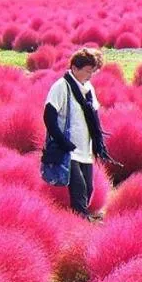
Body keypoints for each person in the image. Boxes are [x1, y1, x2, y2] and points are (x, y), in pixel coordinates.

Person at [43, 48, 113, 218]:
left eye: (93, 71)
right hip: (68, 150)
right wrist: (63, 142)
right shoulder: (61, 87)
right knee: (79, 190)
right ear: (74, 68)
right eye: (88, 71)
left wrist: (98, 143)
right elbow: (49, 117)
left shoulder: (88, 89)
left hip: (85, 150)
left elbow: (94, 115)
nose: (90, 75)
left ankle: (74, 219)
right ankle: (81, 224)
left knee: (88, 189)